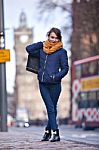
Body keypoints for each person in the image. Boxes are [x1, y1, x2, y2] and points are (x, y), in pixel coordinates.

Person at [26, 27, 69, 142]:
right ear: (48, 37)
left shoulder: (62, 52)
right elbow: (28, 49)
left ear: (59, 39)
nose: (54, 40)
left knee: (52, 109)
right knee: (50, 108)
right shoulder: (42, 50)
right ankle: (56, 133)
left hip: (55, 84)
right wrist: (41, 43)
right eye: (52, 37)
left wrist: (56, 76)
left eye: (56, 38)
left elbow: (65, 69)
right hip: (43, 83)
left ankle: (47, 132)